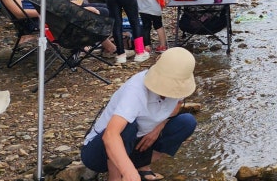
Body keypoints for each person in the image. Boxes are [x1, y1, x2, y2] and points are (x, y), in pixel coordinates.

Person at [81, 48, 198, 181]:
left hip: (136, 144)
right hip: (99, 152)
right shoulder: (136, 90)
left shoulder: (179, 86)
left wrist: (158, 128)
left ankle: (141, 165)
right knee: (128, 127)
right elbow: (110, 135)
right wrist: (129, 172)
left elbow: (177, 104)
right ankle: (116, 176)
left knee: (187, 122)